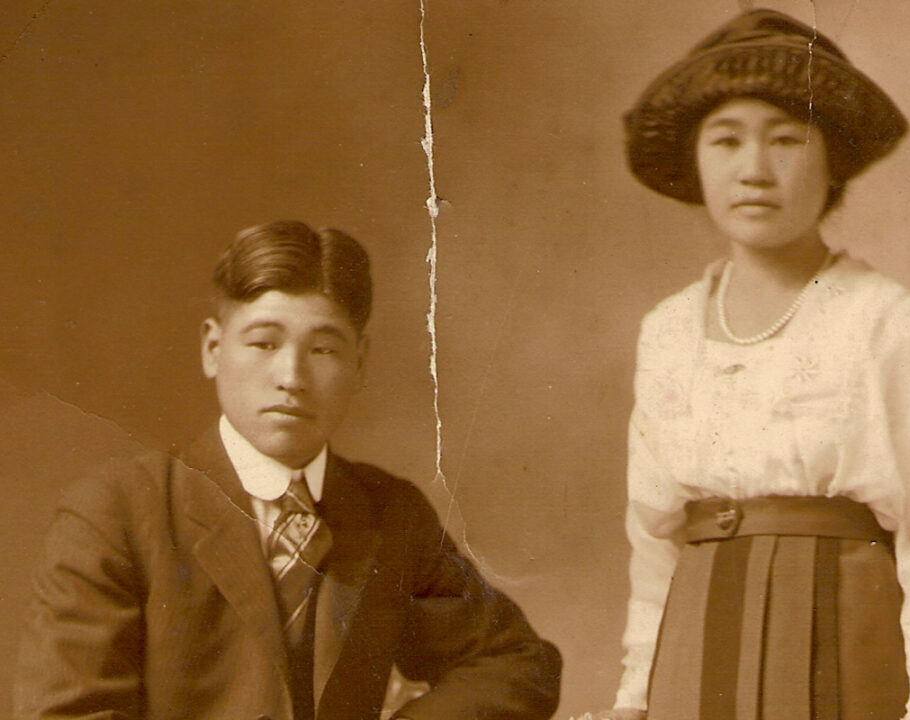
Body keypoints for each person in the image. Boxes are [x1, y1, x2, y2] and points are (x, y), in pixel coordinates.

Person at [583, 9, 910, 720]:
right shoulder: (669, 332)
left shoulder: (890, 325)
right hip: (696, 653)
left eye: (786, 140)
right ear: (695, 161)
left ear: (833, 159)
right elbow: (653, 543)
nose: (754, 170)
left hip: (845, 648)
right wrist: (635, 698)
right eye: (726, 141)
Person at [14, 220, 562, 720]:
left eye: (323, 349)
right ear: (213, 348)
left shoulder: (390, 512)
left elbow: (515, 662)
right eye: (264, 343)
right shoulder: (118, 512)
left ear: (360, 363)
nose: (291, 376)